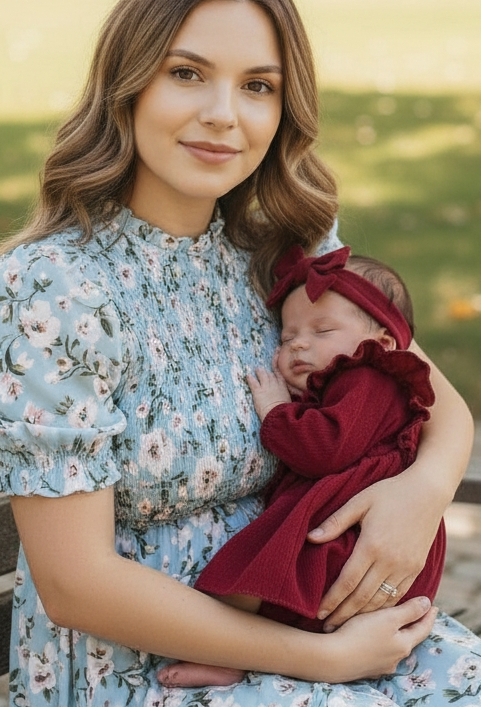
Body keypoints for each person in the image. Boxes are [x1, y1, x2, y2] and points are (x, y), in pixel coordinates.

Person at [0, 0, 481, 706]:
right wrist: (322, 662)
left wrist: (419, 494)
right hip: (142, 664)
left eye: (258, 86)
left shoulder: (289, 253)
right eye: (186, 73)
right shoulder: (55, 287)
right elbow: (75, 585)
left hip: (314, 612)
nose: (223, 115)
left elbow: (435, 399)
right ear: (127, 82)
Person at [164, 245, 444, 687]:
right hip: (351, 536)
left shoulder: (367, 378)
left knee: (249, 577)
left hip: (349, 538)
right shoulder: (352, 382)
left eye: (323, 329)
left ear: (383, 343)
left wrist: (277, 412)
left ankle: (227, 655)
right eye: (286, 336)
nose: (298, 342)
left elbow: (324, 449)